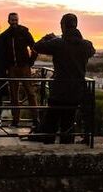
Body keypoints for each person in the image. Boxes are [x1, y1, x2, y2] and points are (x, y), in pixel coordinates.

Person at [32, 13, 96, 144]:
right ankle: (67, 146)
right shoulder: (86, 45)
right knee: (68, 122)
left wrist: (47, 38)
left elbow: (36, 47)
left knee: (51, 122)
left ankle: (48, 148)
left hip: (59, 90)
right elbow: (92, 51)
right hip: (77, 90)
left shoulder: (58, 43)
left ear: (63, 26)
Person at [0, 12, 38, 127]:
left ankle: (36, 119)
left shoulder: (24, 32)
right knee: (13, 95)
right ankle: (15, 120)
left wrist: (30, 62)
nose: (14, 22)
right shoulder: (5, 35)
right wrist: (6, 66)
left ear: (18, 20)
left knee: (30, 93)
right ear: (8, 21)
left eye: (16, 20)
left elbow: (34, 47)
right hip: (12, 67)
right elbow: (2, 53)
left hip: (24, 67)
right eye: (12, 20)